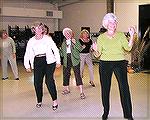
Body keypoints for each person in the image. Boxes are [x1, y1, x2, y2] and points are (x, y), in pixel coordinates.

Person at [93, 13, 135, 120]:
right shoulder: (101, 37)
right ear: (106, 24)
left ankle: (128, 114)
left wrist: (132, 35)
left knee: (124, 88)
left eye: (114, 22)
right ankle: (106, 112)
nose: (113, 24)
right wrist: (95, 49)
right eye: (110, 22)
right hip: (105, 64)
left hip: (120, 63)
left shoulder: (121, 35)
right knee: (105, 89)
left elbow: (128, 48)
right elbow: (97, 55)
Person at [24, 22, 61, 110]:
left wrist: (58, 61)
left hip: (49, 61)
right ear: (33, 30)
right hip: (37, 61)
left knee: (49, 81)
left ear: (42, 29)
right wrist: (27, 65)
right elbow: (28, 53)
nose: (38, 30)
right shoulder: (31, 40)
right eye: (36, 28)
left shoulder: (47, 38)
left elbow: (55, 49)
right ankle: (39, 100)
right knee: (37, 82)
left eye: (40, 28)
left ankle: (54, 101)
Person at [60, 27, 86, 99]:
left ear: (71, 34)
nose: (67, 34)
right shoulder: (63, 43)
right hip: (66, 60)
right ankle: (66, 89)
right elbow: (62, 54)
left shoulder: (75, 40)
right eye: (66, 34)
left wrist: (75, 43)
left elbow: (80, 49)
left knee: (77, 75)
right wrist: (59, 50)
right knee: (66, 74)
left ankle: (81, 92)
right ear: (64, 35)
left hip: (75, 59)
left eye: (68, 33)